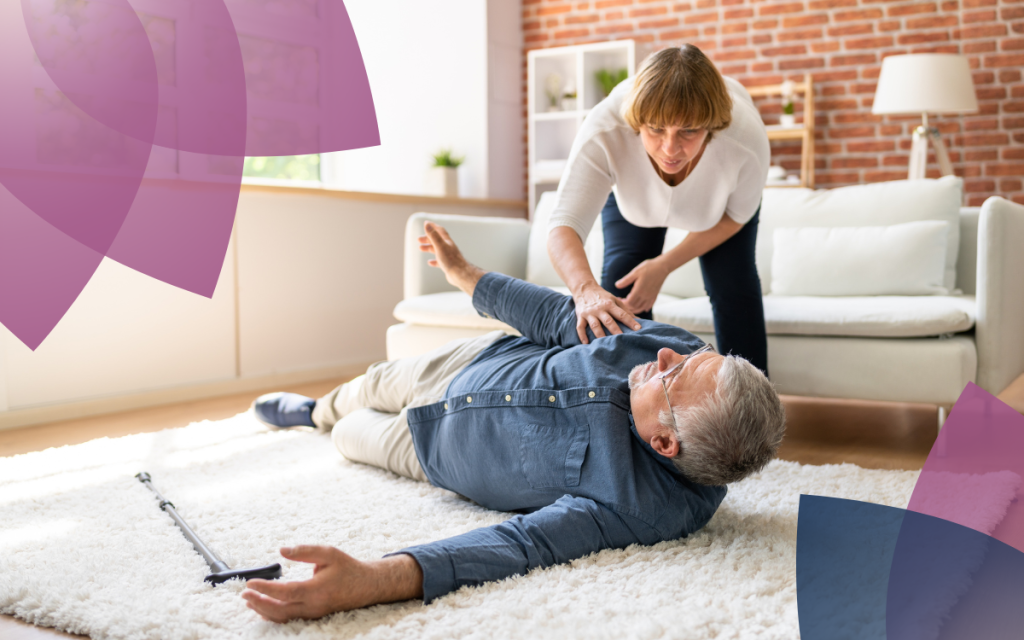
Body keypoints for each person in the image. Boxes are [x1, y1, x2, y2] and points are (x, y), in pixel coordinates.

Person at [241, 221, 786, 623]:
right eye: (695, 356)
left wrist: (376, 579)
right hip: (474, 363)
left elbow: (524, 544)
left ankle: (331, 424)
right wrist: (466, 276)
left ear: (665, 443)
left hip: (437, 452)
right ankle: (312, 410)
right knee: (371, 383)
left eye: (672, 377)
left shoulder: (646, 509)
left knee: (350, 434)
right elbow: (556, 316)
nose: (667, 355)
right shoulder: (669, 349)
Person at [546, 45, 771, 374]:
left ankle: (752, 417)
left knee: (733, 289)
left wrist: (664, 266)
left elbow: (735, 218)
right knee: (619, 294)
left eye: (688, 131)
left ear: (711, 126)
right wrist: (586, 292)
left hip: (719, 212)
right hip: (636, 201)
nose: (670, 149)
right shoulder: (606, 130)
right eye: (655, 129)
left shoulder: (744, 142)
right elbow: (563, 224)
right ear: (637, 123)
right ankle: (630, 408)